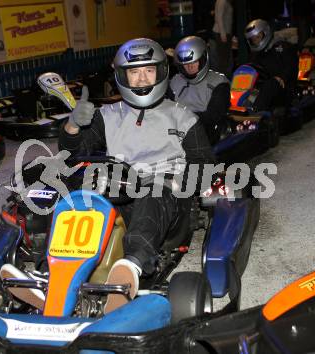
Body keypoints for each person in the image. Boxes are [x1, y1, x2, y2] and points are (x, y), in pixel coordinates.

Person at [59, 38, 215, 313]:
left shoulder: (182, 117)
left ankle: (131, 266)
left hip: (168, 202)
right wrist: (73, 125)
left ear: (161, 72)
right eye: (134, 72)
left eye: (148, 71)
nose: (142, 78)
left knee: (152, 190)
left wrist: (176, 181)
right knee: (66, 185)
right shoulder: (107, 115)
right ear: (123, 76)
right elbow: (73, 153)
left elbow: (203, 164)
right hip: (117, 194)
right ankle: (56, 276)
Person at [168, 36, 230, 144]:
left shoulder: (219, 82)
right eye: (186, 64)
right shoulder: (175, 81)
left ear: (203, 59)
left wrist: (182, 119)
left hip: (205, 131)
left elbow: (213, 117)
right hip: (177, 130)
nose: (190, 67)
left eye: (194, 62)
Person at [244, 19, 298, 112]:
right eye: (253, 39)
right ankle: (237, 109)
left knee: (271, 83)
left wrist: (282, 77)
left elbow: (291, 67)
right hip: (262, 90)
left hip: (284, 89)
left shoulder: (283, 47)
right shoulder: (256, 55)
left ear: (266, 33)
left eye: (258, 37)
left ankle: (255, 111)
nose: (256, 41)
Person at [211, 0, 234, 76]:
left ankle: (223, 79)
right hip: (222, 33)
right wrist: (223, 34)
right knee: (223, 60)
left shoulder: (223, 1)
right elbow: (219, 18)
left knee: (224, 59)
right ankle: (223, 81)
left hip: (223, 32)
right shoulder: (222, 1)